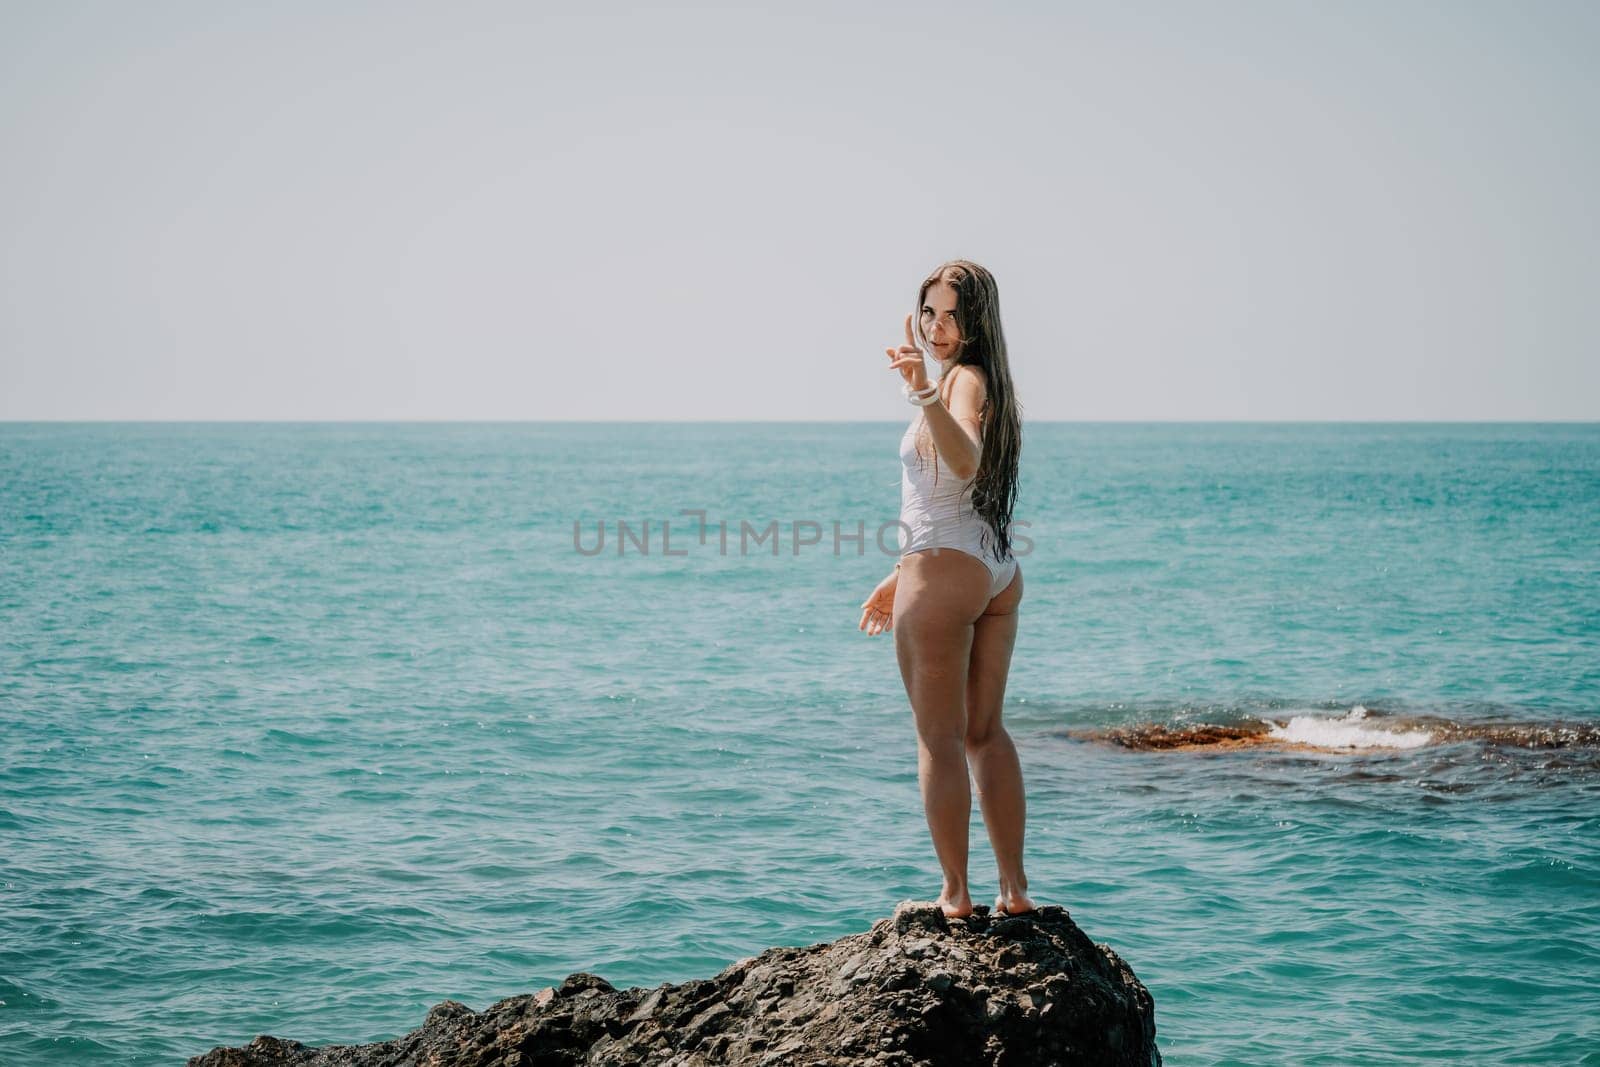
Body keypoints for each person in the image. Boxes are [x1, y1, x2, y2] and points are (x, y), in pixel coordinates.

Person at [858, 259, 1035, 920]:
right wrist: (899, 573)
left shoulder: (960, 383)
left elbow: (963, 460)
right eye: (928, 310)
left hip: (949, 573)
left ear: (976, 321)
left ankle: (956, 895)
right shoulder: (987, 382)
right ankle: (1014, 890)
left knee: (940, 739)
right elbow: (951, 498)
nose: (937, 326)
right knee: (985, 733)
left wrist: (921, 393)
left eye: (952, 314)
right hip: (994, 570)